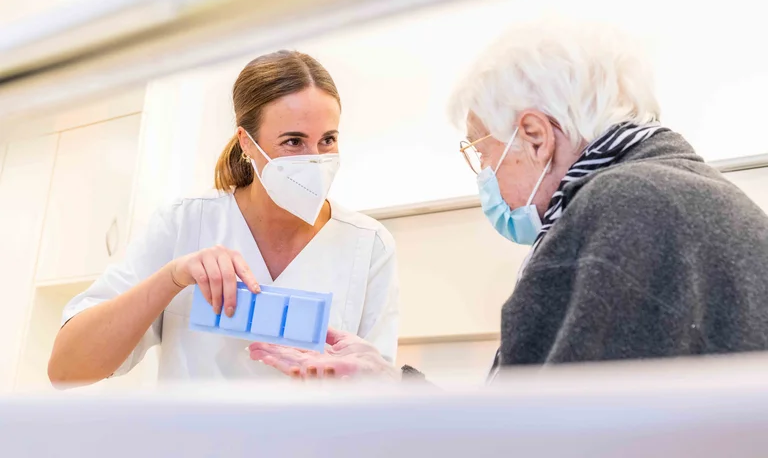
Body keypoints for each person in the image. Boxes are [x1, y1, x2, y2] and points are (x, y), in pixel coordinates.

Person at [249, 22, 768, 381]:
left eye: (482, 150)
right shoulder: (683, 194)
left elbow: (539, 438)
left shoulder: (626, 210)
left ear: (536, 136)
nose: (484, 177)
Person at [48, 51, 399, 385]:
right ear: (246, 143)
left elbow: (379, 391)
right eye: (293, 141)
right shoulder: (186, 222)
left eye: (328, 140)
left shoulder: (368, 245)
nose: (315, 158)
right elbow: (66, 368)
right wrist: (172, 278)